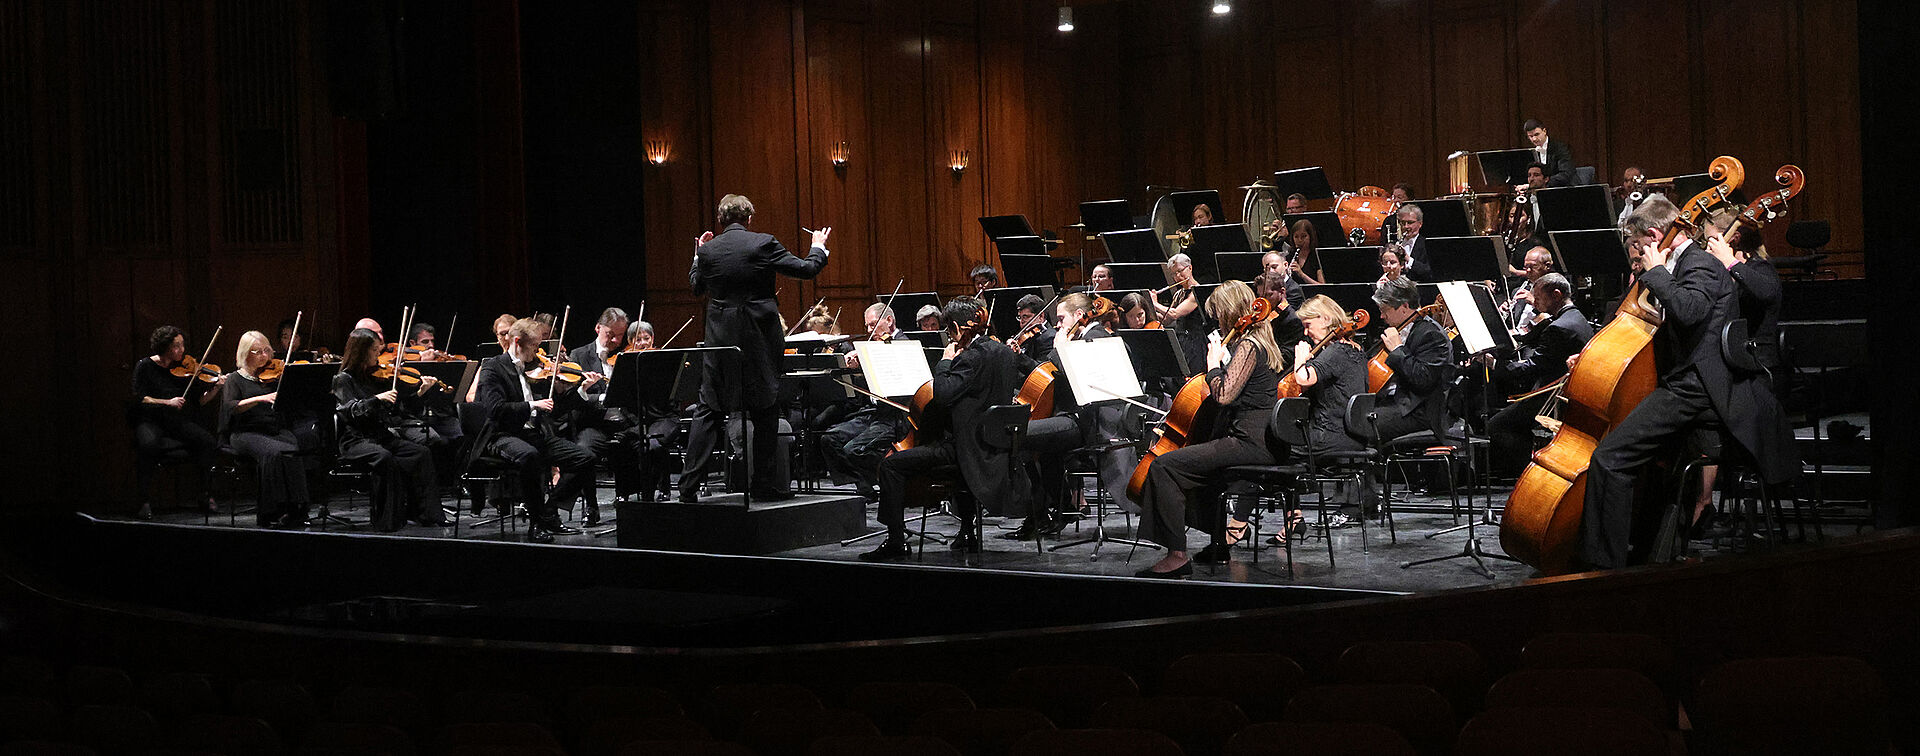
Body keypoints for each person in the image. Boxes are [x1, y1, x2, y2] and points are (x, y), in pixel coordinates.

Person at [1577, 195, 1797, 569]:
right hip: (1690, 384)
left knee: (1610, 459)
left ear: (1652, 235)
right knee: (1650, 465)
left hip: (1699, 389)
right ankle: (1647, 550)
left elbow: (1690, 311)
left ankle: (1603, 567)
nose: (1635, 256)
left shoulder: (1701, 265)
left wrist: (1657, 272)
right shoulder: (1685, 266)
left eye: (1635, 247)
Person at [681, 194, 831, 502]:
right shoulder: (762, 243)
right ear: (750, 218)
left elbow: (696, 286)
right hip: (759, 341)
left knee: (709, 409)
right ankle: (762, 484)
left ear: (721, 220)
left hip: (720, 341)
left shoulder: (708, 250)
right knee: (765, 408)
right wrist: (818, 246)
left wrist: (698, 255)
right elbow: (805, 269)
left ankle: (687, 487)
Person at [1134, 281, 1284, 578]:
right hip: (1261, 441)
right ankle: (1219, 545)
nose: (1216, 320)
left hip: (1249, 443)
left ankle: (1176, 555)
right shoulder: (1260, 341)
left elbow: (1225, 394)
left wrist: (1214, 365)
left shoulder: (1249, 345)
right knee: (1199, 470)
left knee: (1165, 467)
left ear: (1229, 312)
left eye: (1218, 314)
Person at [861, 297, 1029, 561]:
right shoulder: (1005, 352)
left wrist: (946, 361)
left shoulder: (969, 359)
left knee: (892, 464)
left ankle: (895, 540)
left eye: (949, 330)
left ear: (955, 328)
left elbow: (941, 395)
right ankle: (967, 531)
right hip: (996, 446)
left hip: (967, 449)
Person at [474, 317, 597, 541]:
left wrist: (581, 391)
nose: (538, 352)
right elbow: (495, 410)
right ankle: (537, 524)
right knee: (530, 456)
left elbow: (554, 410)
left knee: (586, 458)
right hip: (502, 435)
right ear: (517, 342)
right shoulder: (493, 367)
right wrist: (531, 405)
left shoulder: (535, 370)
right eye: (534, 346)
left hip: (532, 434)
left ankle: (547, 512)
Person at [333, 328, 446, 531]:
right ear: (361, 351)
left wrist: (420, 393)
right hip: (355, 440)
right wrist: (376, 399)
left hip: (380, 436)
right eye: (375, 350)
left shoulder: (376, 377)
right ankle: (387, 520)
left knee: (421, 452)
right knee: (384, 457)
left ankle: (427, 515)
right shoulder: (343, 379)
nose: (378, 355)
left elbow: (398, 409)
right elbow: (349, 411)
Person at [1484, 274, 1592, 477]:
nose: (1535, 301)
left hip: (1551, 396)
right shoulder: (1574, 317)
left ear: (1556, 295)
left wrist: (1495, 364)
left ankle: (1523, 474)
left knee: (1497, 424)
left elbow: (1533, 367)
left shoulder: (1559, 327)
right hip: (1558, 389)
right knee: (1515, 421)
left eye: (1539, 297)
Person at [129, 326, 223, 519]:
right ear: (164, 347)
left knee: (207, 441)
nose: (182, 350)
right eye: (176, 346)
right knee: (148, 445)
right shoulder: (145, 366)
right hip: (150, 419)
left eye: (182, 345)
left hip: (174, 421)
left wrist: (216, 388)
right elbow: (140, 398)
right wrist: (167, 402)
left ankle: (205, 494)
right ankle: (143, 500)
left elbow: (200, 401)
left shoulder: (184, 369)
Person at [221, 330, 313, 528]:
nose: (264, 356)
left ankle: (297, 508)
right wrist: (260, 398)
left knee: (293, 449)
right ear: (245, 353)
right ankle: (271, 511)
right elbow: (231, 407)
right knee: (273, 452)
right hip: (245, 432)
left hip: (273, 429)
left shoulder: (273, 376)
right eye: (257, 352)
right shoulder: (234, 379)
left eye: (266, 350)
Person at [822, 303, 910, 501]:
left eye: (872, 325)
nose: (869, 331)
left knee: (853, 450)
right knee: (829, 439)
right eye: (867, 326)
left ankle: (890, 479)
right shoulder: (875, 346)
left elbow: (896, 382)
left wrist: (865, 357)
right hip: (872, 411)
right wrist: (855, 371)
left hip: (894, 415)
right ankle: (865, 485)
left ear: (889, 321)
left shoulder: (904, 344)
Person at [565, 307, 640, 526]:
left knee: (646, 445)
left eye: (620, 335)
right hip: (594, 424)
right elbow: (573, 399)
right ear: (598, 328)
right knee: (584, 451)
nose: (616, 340)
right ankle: (591, 506)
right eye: (611, 334)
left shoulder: (627, 357)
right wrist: (599, 398)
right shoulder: (579, 355)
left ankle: (630, 500)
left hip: (624, 422)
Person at [1370, 276, 1454, 443]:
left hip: (1418, 411)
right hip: (1393, 402)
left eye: (1385, 310)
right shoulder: (1397, 329)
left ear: (1404, 307)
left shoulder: (1431, 334)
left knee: (1363, 424)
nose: (1381, 316)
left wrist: (1397, 350)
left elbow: (1423, 379)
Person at [1519, 118, 1574, 189]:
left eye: (1537, 134)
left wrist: (1539, 184)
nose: (1534, 139)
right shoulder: (1531, 152)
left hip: (1561, 189)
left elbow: (1566, 174)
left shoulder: (1560, 148)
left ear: (1544, 131)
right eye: (1531, 136)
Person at [1394, 205, 1434, 282]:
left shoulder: (1426, 244)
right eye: (1403, 223)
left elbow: (1429, 272)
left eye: (1410, 222)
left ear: (1420, 224)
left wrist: (1407, 258)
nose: (1406, 226)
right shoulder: (1396, 243)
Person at [1287, 219, 1325, 285]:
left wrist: (1301, 274)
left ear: (1311, 236)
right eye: (1296, 237)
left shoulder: (1317, 256)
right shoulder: (1290, 255)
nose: (1300, 240)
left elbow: (1322, 286)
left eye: (1304, 236)